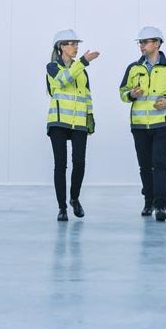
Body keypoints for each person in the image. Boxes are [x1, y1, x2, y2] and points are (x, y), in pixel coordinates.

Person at [119, 26, 166, 222]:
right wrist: (131, 94)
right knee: (144, 166)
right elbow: (122, 92)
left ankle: (160, 205)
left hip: (163, 125)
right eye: (140, 42)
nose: (141, 45)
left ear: (157, 43)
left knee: (159, 164)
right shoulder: (133, 68)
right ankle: (148, 202)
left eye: (145, 42)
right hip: (139, 126)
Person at [46, 29, 99, 222]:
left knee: (80, 163)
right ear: (61, 46)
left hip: (79, 123)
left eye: (77, 44)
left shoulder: (81, 71)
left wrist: (90, 118)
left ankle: (74, 198)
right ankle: (62, 208)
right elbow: (62, 81)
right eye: (72, 43)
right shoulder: (52, 67)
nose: (76, 47)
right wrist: (83, 62)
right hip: (59, 122)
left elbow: (86, 95)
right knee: (60, 165)